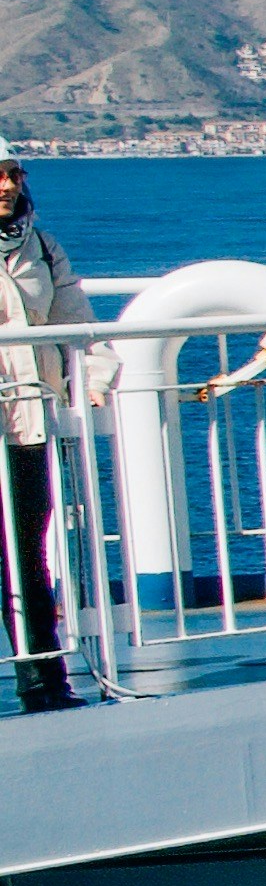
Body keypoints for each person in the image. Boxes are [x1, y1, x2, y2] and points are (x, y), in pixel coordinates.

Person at [0, 150, 93, 709]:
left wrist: (96, 380)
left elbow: (75, 321)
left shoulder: (39, 246)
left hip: (26, 425)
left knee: (25, 552)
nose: (6, 185)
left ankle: (43, 681)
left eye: (13, 174)